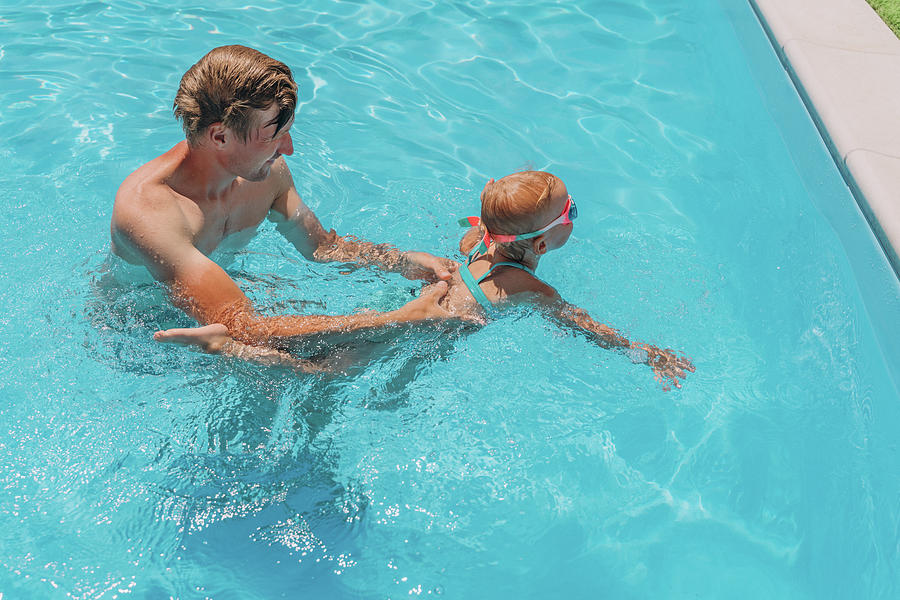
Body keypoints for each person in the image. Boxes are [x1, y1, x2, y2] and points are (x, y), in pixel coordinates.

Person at [160, 170, 695, 389]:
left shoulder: (475, 242)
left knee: (326, 353)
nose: (574, 215)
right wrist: (642, 351)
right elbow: (580, 324)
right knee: (320, 376)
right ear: (541, 244)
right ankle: (229, 347)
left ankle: (234, 340)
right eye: (570, 212)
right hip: (419, 329)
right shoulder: (530, 288)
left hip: (409, 299)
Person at [111, 45, 456, 354]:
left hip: (223, 312)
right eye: (274, 135)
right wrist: (395, 319)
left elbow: (322, 246)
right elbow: (244, 329)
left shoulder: (266, 172)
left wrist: (402, 262)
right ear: (220, 136)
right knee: (323, 367)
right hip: (140, 336)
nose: (288, 149)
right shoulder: (149, 211)